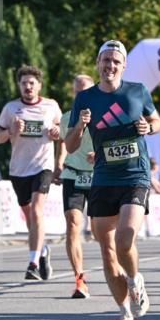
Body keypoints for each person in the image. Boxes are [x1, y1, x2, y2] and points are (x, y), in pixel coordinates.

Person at [66, 40, 160, 320]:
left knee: (124, 239)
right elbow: (69, 145)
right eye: (105, 60)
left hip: (135, 174)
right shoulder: (85, 98)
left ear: (123, 65)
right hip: (103, 177)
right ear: (98, 63)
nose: (110, 66)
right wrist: (81, 128)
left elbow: (156, 120)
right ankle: (124, 315)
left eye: (115, 61)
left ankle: (135, 281)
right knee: (107, 253)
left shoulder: (137, 91)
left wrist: (149, 126)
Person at [0, 66, 61, 281]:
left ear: (39, 85)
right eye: (24, 83)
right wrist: (10, 131)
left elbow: (63, 133)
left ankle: (32, 263)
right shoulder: (11, 108)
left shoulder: (51, 106)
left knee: (36, 211)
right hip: (19, 169)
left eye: (32, 83)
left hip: (43, 166)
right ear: (19, 86)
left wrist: (57, 132)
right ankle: (42, 250)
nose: (28, 86)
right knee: (29, 216)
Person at [53, 74, 95, 298]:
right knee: (73, 223)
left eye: (85, 91)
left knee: (100, 231)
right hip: (73, 174)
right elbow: (63, 143)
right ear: (73, 93)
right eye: (78, 91)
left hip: (99, 176)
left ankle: (119, 271)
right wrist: (58, 165)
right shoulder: (66, 118)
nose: (82, 95)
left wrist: (99, 154)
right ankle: (79, 279)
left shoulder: (104, 116)